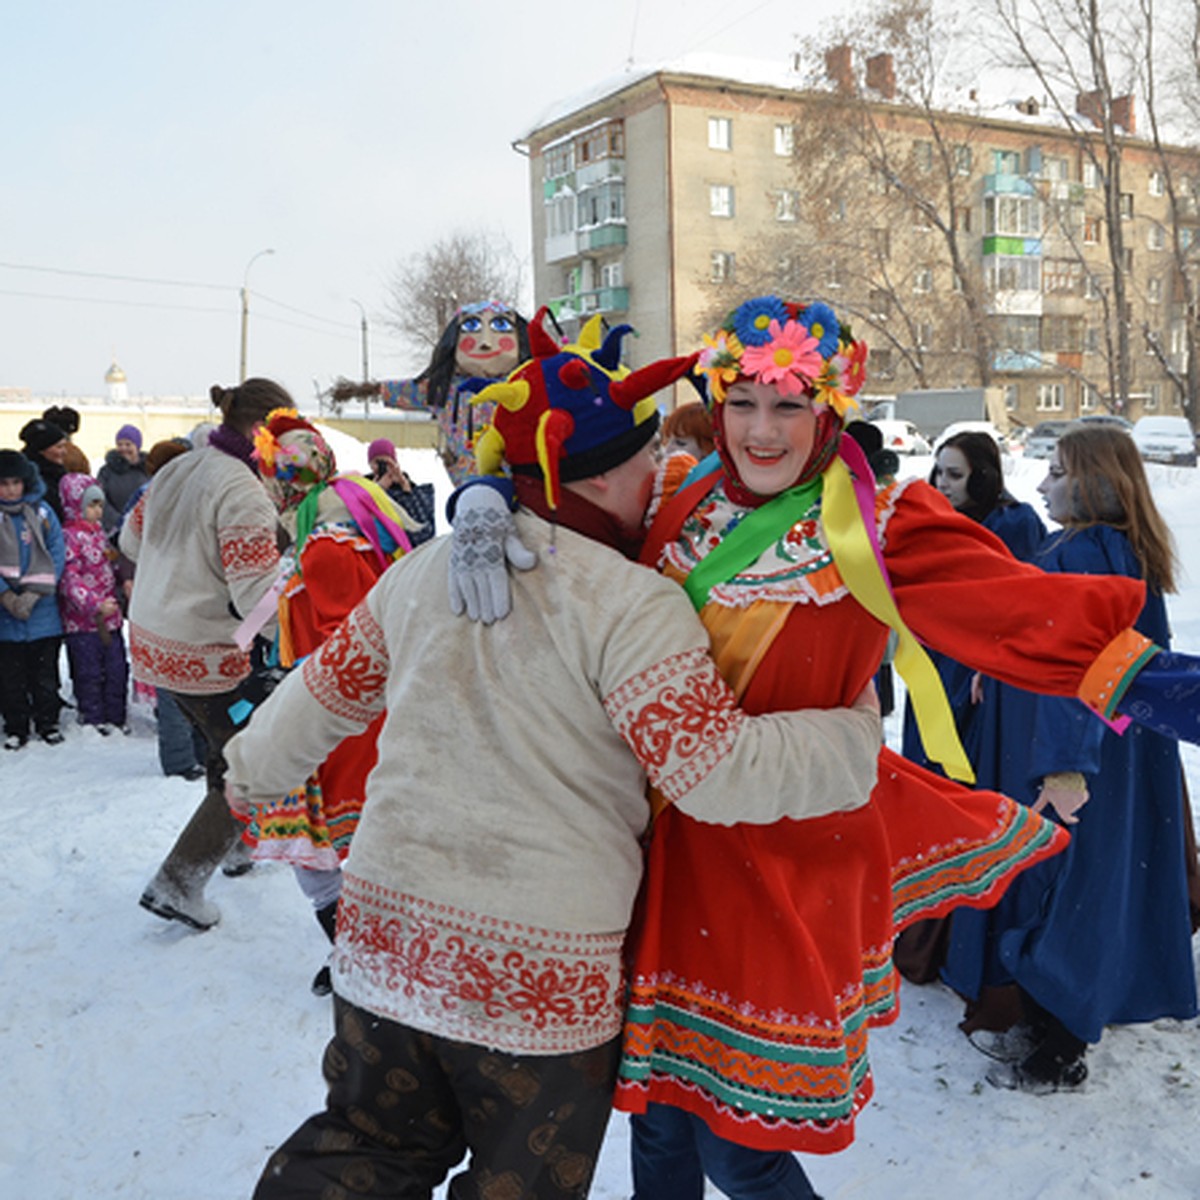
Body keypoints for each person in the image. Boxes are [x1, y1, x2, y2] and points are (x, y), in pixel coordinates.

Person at [450, 296, 1184, 1198]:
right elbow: (567, 493)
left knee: (741, 1146)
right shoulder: (683, 494)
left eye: (789, 405)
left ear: (828, 410)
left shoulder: (880, 527)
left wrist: (1167, 691)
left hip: (774, 865)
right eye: (744, 402)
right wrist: (482, 494)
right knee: (657, 1118)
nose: (762, 431)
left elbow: (1030, 616)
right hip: (653, 855)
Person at [222, 326, 885, 1200]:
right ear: (605, 477)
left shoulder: (422, 574)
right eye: (651, 461)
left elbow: (323, 694)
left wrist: (248, 773)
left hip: (386, 946)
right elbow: (713, 773)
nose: (664, 481)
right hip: (539, 984)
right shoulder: (629, 605)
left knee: (362, 1150)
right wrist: (849, 738)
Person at [940, 424, 1198, 1092]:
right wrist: (993, 671)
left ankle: (1059, 1042)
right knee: (1091, 879)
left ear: (1097, 481)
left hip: (1077, 751)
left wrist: (1064, 763)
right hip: (1108, 749)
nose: (1043, 482)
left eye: (1057, 470)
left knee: (1065, 884)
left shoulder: (1089, 551)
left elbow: (1079, 667)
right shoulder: (1107, 547)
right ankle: (1059, 1015)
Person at [246, 410, 413, 994]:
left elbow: (351, 641)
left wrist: (298, 694)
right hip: (354, 709)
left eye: (270, 476)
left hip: (340, 718)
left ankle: (364, 956)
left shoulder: (325, 545)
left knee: (322, 848)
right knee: (354, 844)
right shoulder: (348, 526)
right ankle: (364, 953)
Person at [120, 378, 292, 931]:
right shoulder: (242, 490)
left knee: (227, 746)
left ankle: (235, 848)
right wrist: (299, 577)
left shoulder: (179, 465)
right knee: (251, 763)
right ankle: (179, 881)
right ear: (269, 431)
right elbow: (254, 596)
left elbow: (129, 541)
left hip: (154, 639)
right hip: (205, 650)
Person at [378, 300, 530, 484]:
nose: (486, 342)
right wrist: (365, 390)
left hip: (521, 487)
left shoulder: (527, 385)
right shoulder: (444, 389)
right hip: (466, 486)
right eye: (471, 325)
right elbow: (405, 391)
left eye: (501, 325)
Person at [0, 448, 66, 749]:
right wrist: (6, 595)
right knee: (10, 677)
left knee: (44, 673)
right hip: (5, 614)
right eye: (3, 483)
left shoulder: (41, 512)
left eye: (15, 482)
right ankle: (16, 725)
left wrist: (36, 591)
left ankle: (47, 721)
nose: (10, 489)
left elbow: (56, 552)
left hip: (43, 610)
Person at [57, 473, 128, 733]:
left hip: (111, 616)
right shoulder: (69, 537)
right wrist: (94, 604)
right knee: (89, 672)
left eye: (100, 505)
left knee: (116, 668)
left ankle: (116, 716)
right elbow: (69, 579)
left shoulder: (99, 533)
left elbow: (109, 566)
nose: (97, 511)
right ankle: (94, 719)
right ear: (75, 505)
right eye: (91, 505)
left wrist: (123, 579)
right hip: (84, 621)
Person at [365, 436, 436, 546]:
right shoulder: (363, 486)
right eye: (377, 462)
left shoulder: (410, 488)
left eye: (386, 462)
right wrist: (376, 491)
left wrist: (405, 489)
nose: (382, 467)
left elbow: (423, 531)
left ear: (395, 463)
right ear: (370, 465)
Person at [97, 423, 150, 532]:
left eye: (128, 444)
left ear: (137, 446)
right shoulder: (106, 472)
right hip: (114, 529)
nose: (123, 448)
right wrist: (118, 521)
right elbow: (101, 498)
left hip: (143, 528)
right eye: (120, 444)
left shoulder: (148, 470)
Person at [19, 417, 70, 523]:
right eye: (59, 447)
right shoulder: (27, 477)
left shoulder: (59, 473)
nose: (65, 452)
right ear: (42, 450)